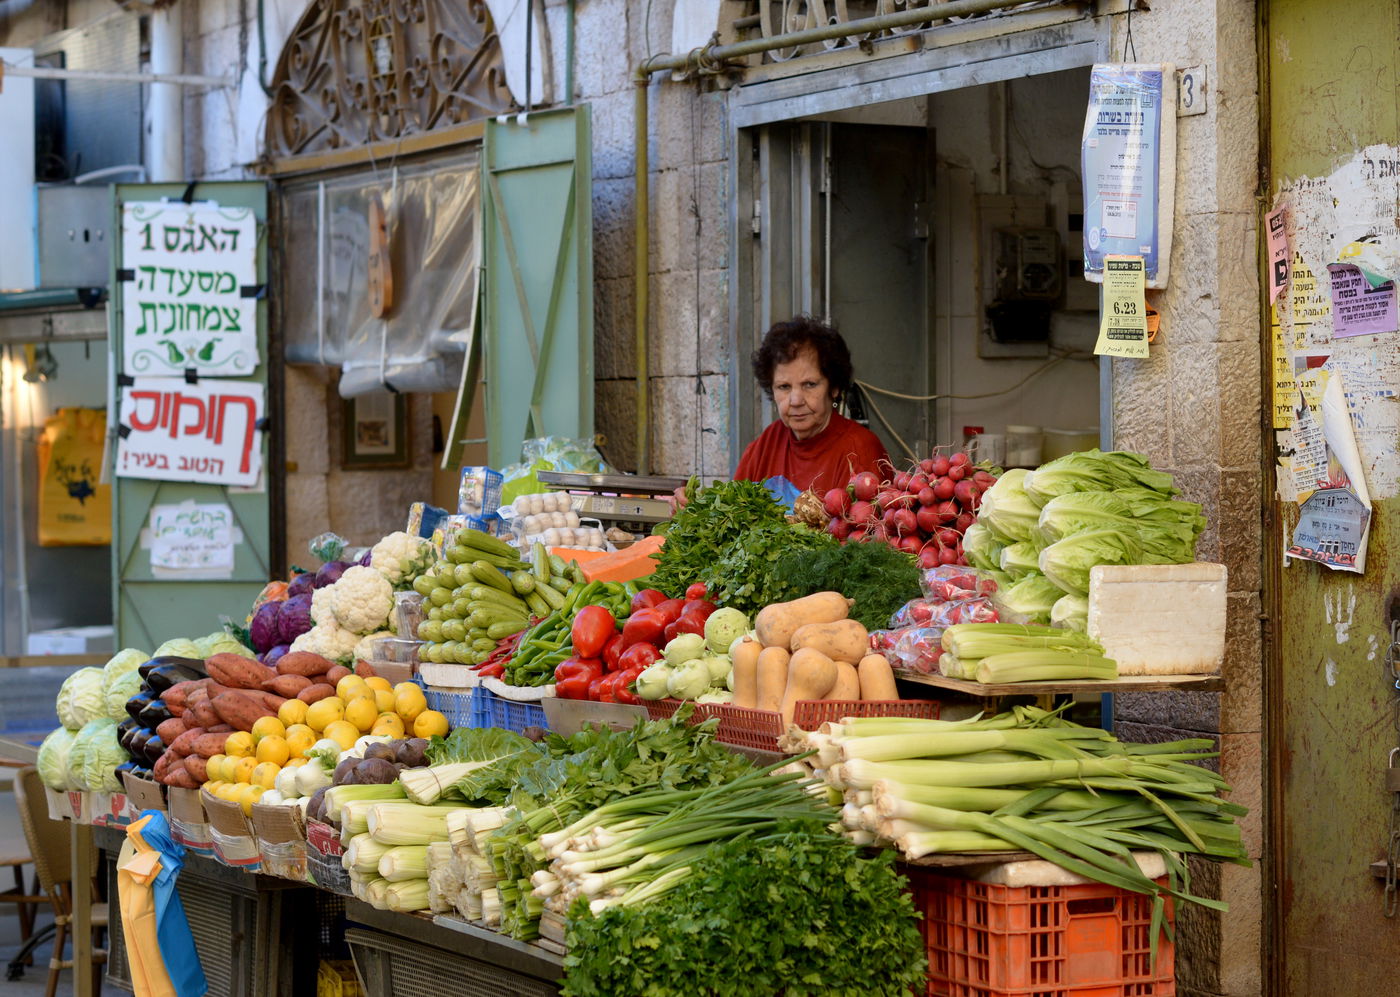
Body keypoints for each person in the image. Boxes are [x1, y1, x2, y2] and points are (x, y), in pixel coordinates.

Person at [674, 315, 889, 508]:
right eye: (784, 387)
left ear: (833, 388)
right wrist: (694, 509)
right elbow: (730, 513)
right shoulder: (766, 444)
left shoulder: (859, 449)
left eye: (810, 384)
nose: (795, 400)